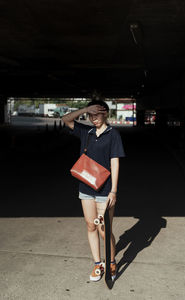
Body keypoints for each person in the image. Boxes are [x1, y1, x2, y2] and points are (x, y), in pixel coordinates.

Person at [62, 99, 125, 282]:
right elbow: (66, 119)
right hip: (86, 186)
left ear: (105, 113)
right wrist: (84, 109)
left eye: (96, 114)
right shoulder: (86, 132)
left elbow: (115, 162)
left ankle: (111, 261)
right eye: (90, 115)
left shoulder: (113, 134)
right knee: (91, 226)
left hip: (105, 189)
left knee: (104, 229)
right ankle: (98, 263)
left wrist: (113, 190)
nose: (93, 118)